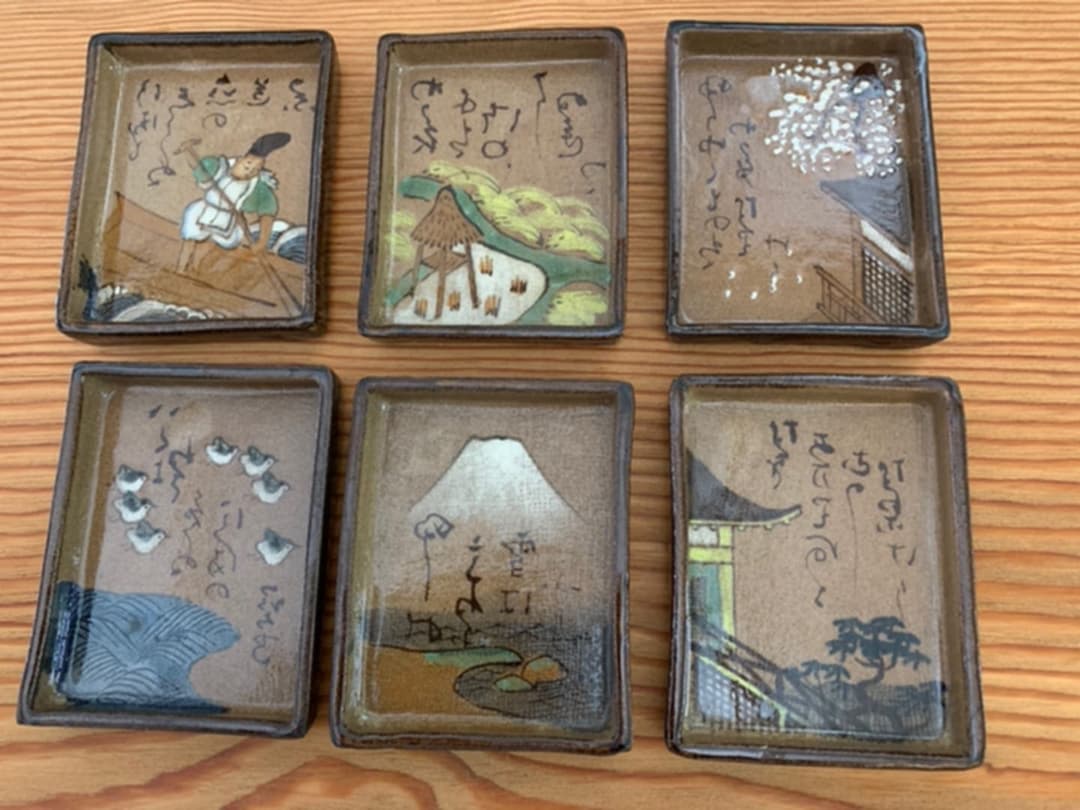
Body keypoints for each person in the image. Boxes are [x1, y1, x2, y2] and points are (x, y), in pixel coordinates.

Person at [176, 132, 291, 273]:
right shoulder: (221, 167)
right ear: (240, 160)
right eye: (247, 166)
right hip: (204, 210)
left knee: (209, 243)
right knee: (190, 238)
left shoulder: (254, 186)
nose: (249, 172)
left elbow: (267, 210)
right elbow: (198, 168)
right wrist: (187, 150)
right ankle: (180, 269)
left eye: (255, 170)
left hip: (225, 219)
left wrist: (262, 242)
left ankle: (195, 269)